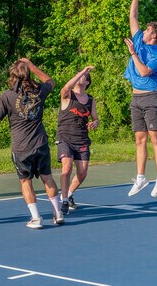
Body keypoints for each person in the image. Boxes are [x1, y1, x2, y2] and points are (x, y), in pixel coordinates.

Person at [0, 58, 64, 229]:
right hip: (40, 143)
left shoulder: (7, 96)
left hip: (21, 147)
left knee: (25, 181)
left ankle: (36, 218)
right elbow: (51, 81)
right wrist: (32, 66)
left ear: (12, 76)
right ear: (28, 74)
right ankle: (58, 212)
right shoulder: (40, 90)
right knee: (47, 178)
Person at [123, 0, 157, 198]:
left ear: (155, 36)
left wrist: (133, 53)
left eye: (148, 29)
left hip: (151, 97)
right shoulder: (139, 39)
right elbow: (133, 17)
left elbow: (142, 72)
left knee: (154, 137)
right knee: (139, 139)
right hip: (136, 98)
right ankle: (141, 178)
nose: (144, 30)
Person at [56, 66, 99, 214]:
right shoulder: (68, 95)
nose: (80, 77)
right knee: (66, 168)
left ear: (87, 83)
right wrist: (83, 71)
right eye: (78, 75)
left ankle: (68, 194)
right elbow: (65, 86)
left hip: (82, 139)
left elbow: (96, 118)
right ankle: (64, 202)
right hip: (65, 137)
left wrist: (95, 123)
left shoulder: (90, 99)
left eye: (83, 76)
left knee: (82, 172)